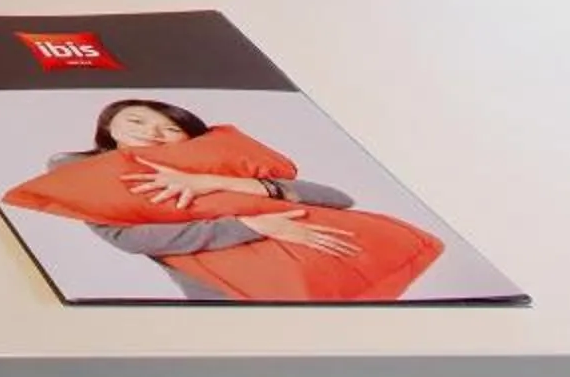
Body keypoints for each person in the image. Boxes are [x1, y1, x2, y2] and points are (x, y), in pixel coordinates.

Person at [31, 99, 364, 300]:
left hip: (329, 266)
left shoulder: (212, 166)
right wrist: (250, 226)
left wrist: (207, 181)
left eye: (171, 128)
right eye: (136, 121)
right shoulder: (88, 174)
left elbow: (336, 198)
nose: (151, 132)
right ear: (109, 127)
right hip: (229, 287)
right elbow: (127, 238)